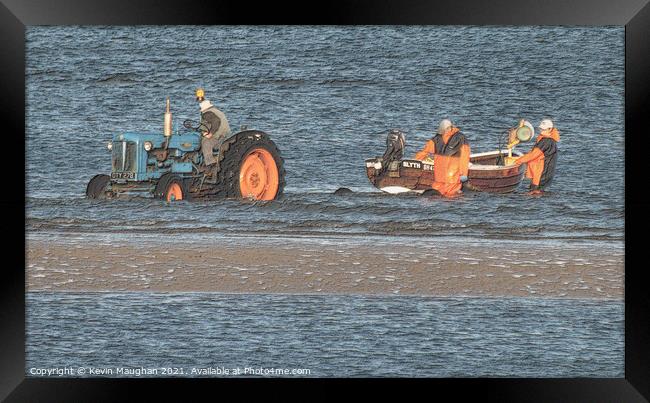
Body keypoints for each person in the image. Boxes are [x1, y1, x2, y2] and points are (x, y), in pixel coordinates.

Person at [414, 119, 471, 197]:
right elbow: (424, 152)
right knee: (445, 197)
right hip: (441, 179)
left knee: (448, 197)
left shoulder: (460, 138)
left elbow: (464, 157)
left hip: (451, 178)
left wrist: (463, 173)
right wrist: (416, 160)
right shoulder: (436, 139)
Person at [514, 118, 559, 194]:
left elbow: (533, 155)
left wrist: (518, 161)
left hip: (541, 174)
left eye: (544, 129)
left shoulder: (546, 141)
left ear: (550, 129)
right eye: (541, 129)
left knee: (534, 194)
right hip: (543, 174)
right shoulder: (550, 140)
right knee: (536, 194)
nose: (542, 131)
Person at [195, 88, 231, 173]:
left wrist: (210, 134)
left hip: (220, 137)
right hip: (227, 135)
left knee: (205, 143)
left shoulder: (207, 113)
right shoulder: (215, 111)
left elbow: (216, 121)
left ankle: (210, 164)